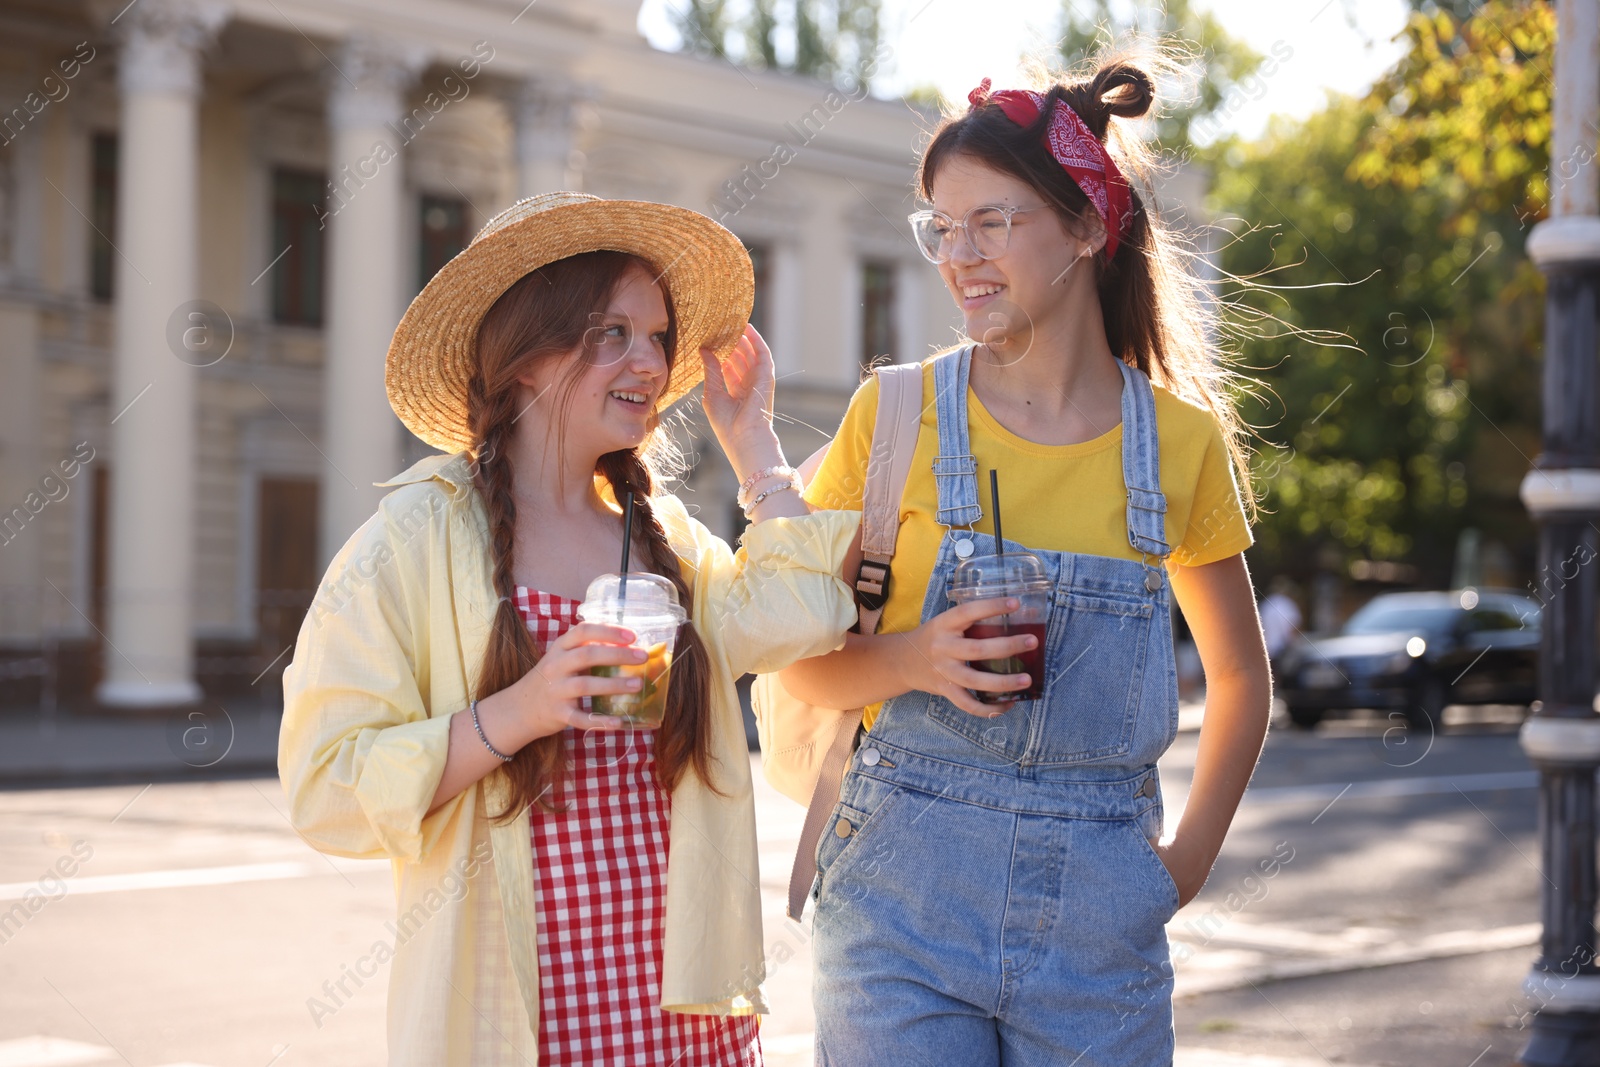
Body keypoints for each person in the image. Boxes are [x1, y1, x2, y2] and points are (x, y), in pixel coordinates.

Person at [278, 192, 861, 1066]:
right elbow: (326, 785)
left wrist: (758, 450)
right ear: (525, 356)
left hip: (684, 1019)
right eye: (613, 332)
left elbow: (807, 615)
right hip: (514, 1020)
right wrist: (519, 709)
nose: (653, 362)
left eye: (659, 336)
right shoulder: (410, 544)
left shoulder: (662, 538)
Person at [783, 60, 1272, 1064]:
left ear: (1089, 227)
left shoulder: (1175, 446)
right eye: (940, 227)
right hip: (896, 903)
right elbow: (797, 657)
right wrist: (915, 657)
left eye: (991, 223)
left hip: (1101, 922)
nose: (957, 255)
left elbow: (1239, 677)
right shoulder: (896, 414)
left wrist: (1173, 871)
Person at [1259, 576, 1304, 690]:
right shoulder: (1287, 604)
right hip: (1282, 647)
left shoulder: (1266, 604)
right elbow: (1292, 627)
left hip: (1268, 646)